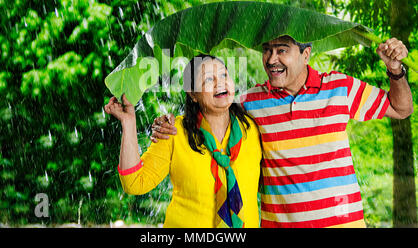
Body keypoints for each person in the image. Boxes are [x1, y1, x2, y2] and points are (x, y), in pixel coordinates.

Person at [151, 36, 413, 228]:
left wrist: (395, 70)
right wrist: (167, 123)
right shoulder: (249, 103)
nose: (271, 59)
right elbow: (210, 108)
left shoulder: (340, 87)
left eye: (282, 50)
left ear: (306, 54)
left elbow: (401, 109)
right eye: (267, 50)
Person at [104, 54, 262, 228]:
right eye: (209, 78)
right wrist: (128, 123)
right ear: (193, 94)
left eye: (224, 75)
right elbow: (134, 184)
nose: (220, 83)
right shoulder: (174, 131)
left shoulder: (252, 130)